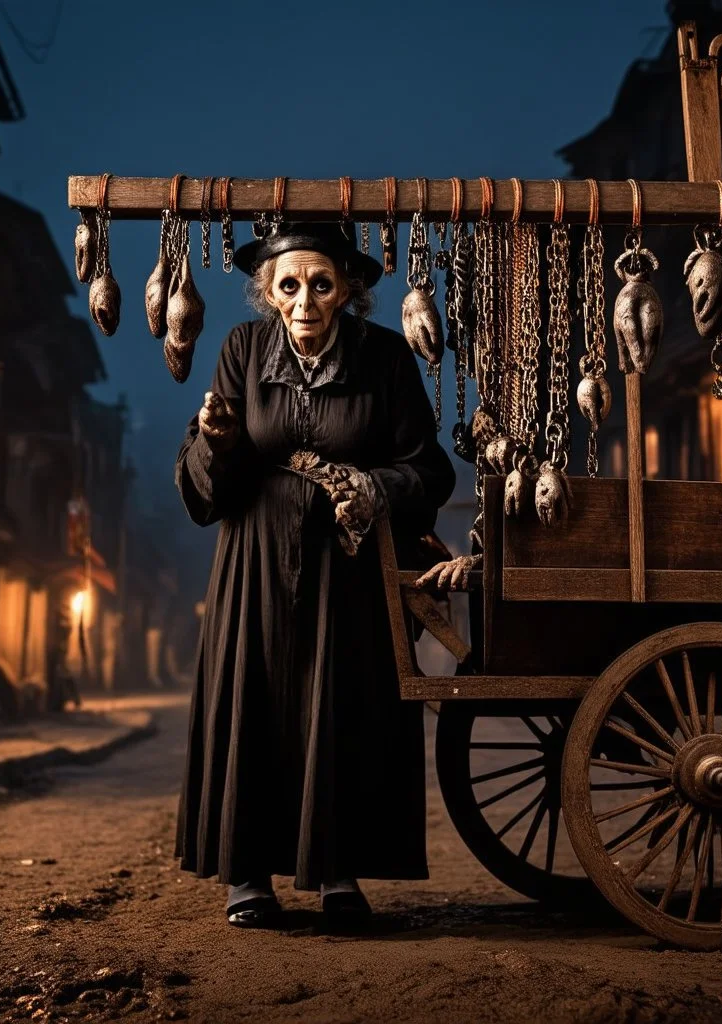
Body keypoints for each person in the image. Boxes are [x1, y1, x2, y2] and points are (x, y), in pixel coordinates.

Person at [174, 222, 455, 928]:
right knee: (254, 703)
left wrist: (373, 485)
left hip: (350, 570)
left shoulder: (388, 358)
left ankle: (338, 874)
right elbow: (212, 488)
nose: (304, 302)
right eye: (288, 286)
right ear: (266, 293)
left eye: (320, 285)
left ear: (347, 291)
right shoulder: (240, 349)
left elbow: (430, 470)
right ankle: (248, 878)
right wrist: (216, 441)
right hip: (254, 562)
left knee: (345, 708)